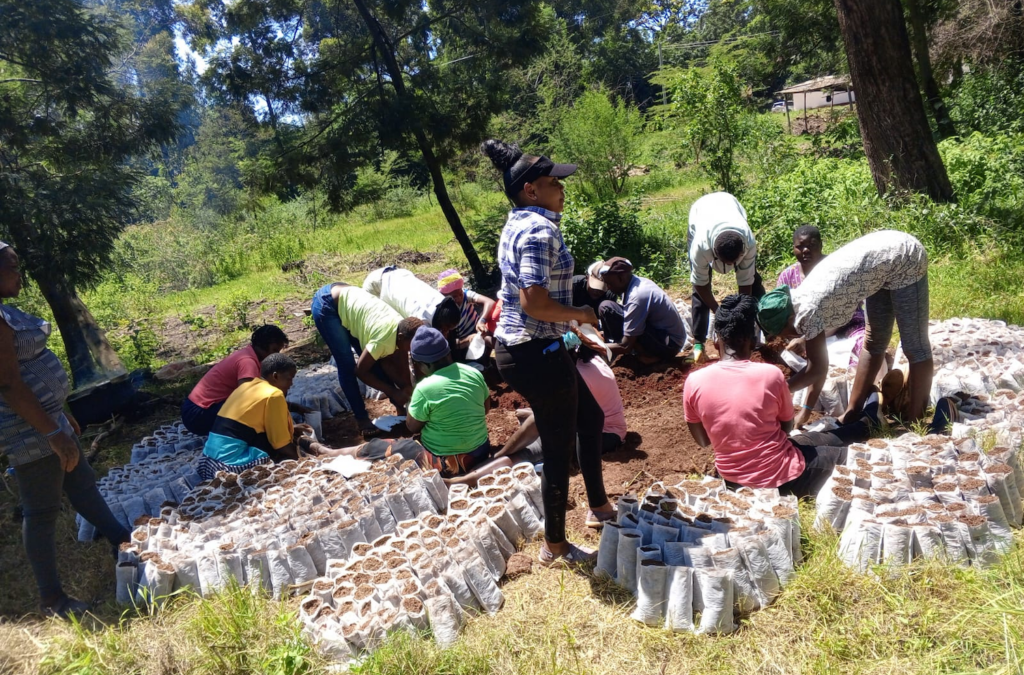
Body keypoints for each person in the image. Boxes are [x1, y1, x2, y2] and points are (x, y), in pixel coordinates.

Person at [481, 138, 616, 564]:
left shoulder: (519, 221)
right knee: (558, 450)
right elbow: (534, 302)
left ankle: (599, 507)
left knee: (590, 417)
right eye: (553, 181)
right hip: (534, 350)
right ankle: (555, 545)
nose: (563, 188)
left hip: (526, 347)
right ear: (530, 190)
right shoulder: (539, 230)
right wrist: (582, 314)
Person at [0, 241, 130, 618]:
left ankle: (121, 539)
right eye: (13, 267)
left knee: (81, 482)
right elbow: (9, 385)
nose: (20, 274)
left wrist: (62, 414)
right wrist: (51, 432)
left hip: (47, 418)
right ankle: (52, 598)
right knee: (40, 511)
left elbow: (33, 369)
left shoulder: (5, 312)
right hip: (28, 428)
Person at [683, 294, 879, 497]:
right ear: (752, 342)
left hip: (733, 478)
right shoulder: (770, 375)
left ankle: (868, 421)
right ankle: (870, 417)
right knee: (856, 457)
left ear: (716, 342)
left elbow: (703, 441)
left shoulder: (694, 381)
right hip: (780, 476)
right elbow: (786, 428)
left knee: (817, 438)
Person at [757, 230, 933, 427]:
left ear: (789, 318)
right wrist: (805, 411)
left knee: (914, 346)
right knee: (874, 340)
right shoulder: (798, 302)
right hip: (879, 266)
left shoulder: (808, 309)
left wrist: (780, 389)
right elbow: (818, 365)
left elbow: (816, 370)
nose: (789, 336)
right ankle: (852, 412)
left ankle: (915, 421)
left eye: (785, 333)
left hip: (903, 258)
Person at [311, 282, 423, 435]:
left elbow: (399, 365)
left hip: (351, 301)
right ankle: (361, 418)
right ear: (402, 338)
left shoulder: (405, 331)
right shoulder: (383, 340)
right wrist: (392, 390)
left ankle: (399, 407)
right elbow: (360, 371)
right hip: (328, 305)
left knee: (377, 362)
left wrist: (407, 390)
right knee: (347, 365)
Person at [499, 335, 627, 464]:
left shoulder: (575, 378)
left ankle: (493, 465)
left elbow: (539, 423)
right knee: (536, 417)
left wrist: (503, 452)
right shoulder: (590, 360)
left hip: (605, 435)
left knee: (542, 446)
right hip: (603, 425)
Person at [199, 353, 317, 480]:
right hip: (229, 467)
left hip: (207, 462)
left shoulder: (246, 386)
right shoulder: (274, 394)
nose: (291, 383)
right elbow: (281, 444)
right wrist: (307, 460)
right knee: (274, 443)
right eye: (289, 378)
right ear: (275, 376)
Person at [181, 325, 305, 436]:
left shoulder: (252, 356)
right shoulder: (247, 361)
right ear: (263, 345)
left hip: (198, 409)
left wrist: (292, 407)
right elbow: (249, 399)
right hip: (198, 414)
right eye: (274, 350)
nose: (276, 356)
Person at [687, 192, 766, 363]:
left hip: (730, 205)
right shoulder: (700, 247)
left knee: (755, 281)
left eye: (734, 262)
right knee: (699, 285)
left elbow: (746, 282)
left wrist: (742, 315)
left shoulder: (748, 242)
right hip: (701, 212)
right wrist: (718, 310)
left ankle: (768, 331)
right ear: (714, 253)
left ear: (741, 251)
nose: (730, 267)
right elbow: (700, 284)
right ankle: (699, 342)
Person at [404, 327, 494, 476]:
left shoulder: (424, 388)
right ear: (448, 352)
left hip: (446, 461)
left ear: (424, 365)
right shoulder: (474, 373)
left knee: (400, 447)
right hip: (481, 452)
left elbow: (412, 427)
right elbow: (485, 409)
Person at [776, 225, 867, 369]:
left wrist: (806, 340)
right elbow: (782, 313)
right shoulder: (787, 276)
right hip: (805, 333)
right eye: (800, 246)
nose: (806, 250)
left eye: (811, 245)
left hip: (847, 323)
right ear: (793, 248)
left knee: (865, 348)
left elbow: (843, 311)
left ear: (821, 245)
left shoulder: (838, 269)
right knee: (791, 357)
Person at [598, 256, 686, 362]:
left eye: (610, 283)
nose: (608, 287)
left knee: (607, 309)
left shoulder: (637, 295)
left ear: (621, 277)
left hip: (669, 345)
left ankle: (650, 356)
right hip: (663, 336)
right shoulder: (635, 283)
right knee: (607, 307)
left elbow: (625, 346)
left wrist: (595, 347)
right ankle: (636, 353)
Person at [363, 266, 461, 338]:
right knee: (387, 329)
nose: (447, 332)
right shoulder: (420, 320)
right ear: (441, 320)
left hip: (398, 274)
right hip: (376, 286)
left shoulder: (443, 303)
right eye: (447, 328)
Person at [436, 268, 497, 361]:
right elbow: (450, 343)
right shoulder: (443, 311)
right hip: (459, 342)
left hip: (477, 330)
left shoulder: (466, 294)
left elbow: (489, 302)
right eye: (453, 297)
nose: (459, 298)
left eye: (460, 294)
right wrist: (467, 340)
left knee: (489, 338)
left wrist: (482, 321)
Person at [571, 262, 620, 332]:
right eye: (594, 287)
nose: (596, 292)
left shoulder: (610, 294)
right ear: (587, 277)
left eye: (601, 289)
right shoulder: (574, 285)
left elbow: (608, 322)